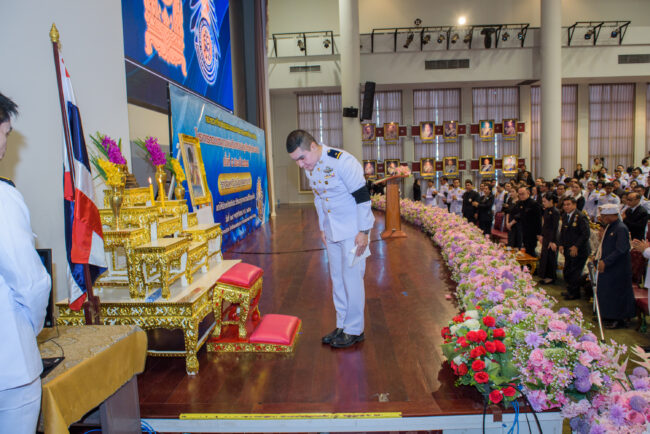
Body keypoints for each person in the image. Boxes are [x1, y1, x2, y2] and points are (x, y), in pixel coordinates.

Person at [286, 130, 373, 348]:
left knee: (352, 279)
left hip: (353, 232)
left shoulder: (342, 161)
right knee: (337, 278)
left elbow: (363, 197)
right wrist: (322, 227)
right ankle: (343, 325)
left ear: (313, 146)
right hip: (332, 231)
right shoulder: (312, 168)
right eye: (296, 161)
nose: (300, 165)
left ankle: (355, 329)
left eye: (301, 158)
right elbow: (319, 198)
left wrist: (364, 231)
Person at [0, 92, 51, 432]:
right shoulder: (3, 199)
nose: (6, 143)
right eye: (5, 132)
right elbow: (31, 284)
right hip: (10, 366)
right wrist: (30, 329)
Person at [595, 204, 635, 329]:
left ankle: (618, 319)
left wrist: (606, 261)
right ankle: (607, 315)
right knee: (607, 291)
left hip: (618, 268)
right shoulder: (611, 227)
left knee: (616, 293)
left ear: (611, 215)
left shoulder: (621, 228)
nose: (602, 218)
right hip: (610, 266)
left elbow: (621, 249)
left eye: (604, 216)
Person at [558, 197, 591, 300]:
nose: (566, 207)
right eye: (564, 205)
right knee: (567, 270)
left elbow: (585, 234)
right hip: (568, 248)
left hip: (579, 250)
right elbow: (563, 231)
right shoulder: (565, 215)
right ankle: (570, 289)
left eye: (568, 204)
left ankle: (575, 293)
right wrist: (561, 244)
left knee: (575, 272)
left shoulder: (580, 216)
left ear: (574, 205)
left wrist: (576, 246)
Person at [511, 186, 542, 257]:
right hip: (522, 229)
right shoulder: (520, 203)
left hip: (532, 231)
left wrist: (539, 233)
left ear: (528, 193)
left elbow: (538, 220)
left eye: (523, 194)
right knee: (523, 249)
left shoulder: (534, 204)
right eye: (519, 194)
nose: (521, 196)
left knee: (530, 250)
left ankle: (531, 262)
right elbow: (517, 214)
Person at [537, 192, 561, 284]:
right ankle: (544, 275)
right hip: (546, 236)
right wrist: (541, 235)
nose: (543, 203)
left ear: (551, 201)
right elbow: (545, 225)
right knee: (544, 256)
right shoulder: (546, 210)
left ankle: (551, 277)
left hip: (552, 237)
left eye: (545, 201)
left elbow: (554, 227)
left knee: (551, 257)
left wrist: (552, 241)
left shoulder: (555, 212)